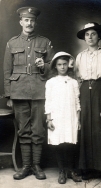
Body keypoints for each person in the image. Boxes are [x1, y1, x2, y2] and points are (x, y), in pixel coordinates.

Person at [3, 7, 54, 180]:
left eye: (32, 20)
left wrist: (43, 66)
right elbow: (6, 70)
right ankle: (26, 166)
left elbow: (53, 69)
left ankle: (37, 166)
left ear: (35, 22)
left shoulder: (44, 42)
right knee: (24, 130)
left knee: (38, 130)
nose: (29, 23)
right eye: (26, 20)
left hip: (40, 92)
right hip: (19, 92)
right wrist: (9, 95)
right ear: (21, 22)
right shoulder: (12, 43)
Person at [75, 22, 101, 182]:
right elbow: (77, 79)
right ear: (84, 38)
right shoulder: (80, 56)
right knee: (86, 129)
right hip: (84, 92)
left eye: (93, 34)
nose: (90, 37)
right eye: (87, 34)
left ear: (99, 36)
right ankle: (88, 168)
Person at [45, 52, 81, 184]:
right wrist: (49, 119)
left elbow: (77, 102)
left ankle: (70, 170)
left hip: (70, 117)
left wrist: (78, 119)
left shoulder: (73, 82)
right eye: (59, 64)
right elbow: (48, 101)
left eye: (65, 64)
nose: (62, 67)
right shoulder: (51, 82)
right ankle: (61, 171)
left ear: (68, 65)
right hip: (57, 117)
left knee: (70, 144)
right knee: (59, 144)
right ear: (55, 66)